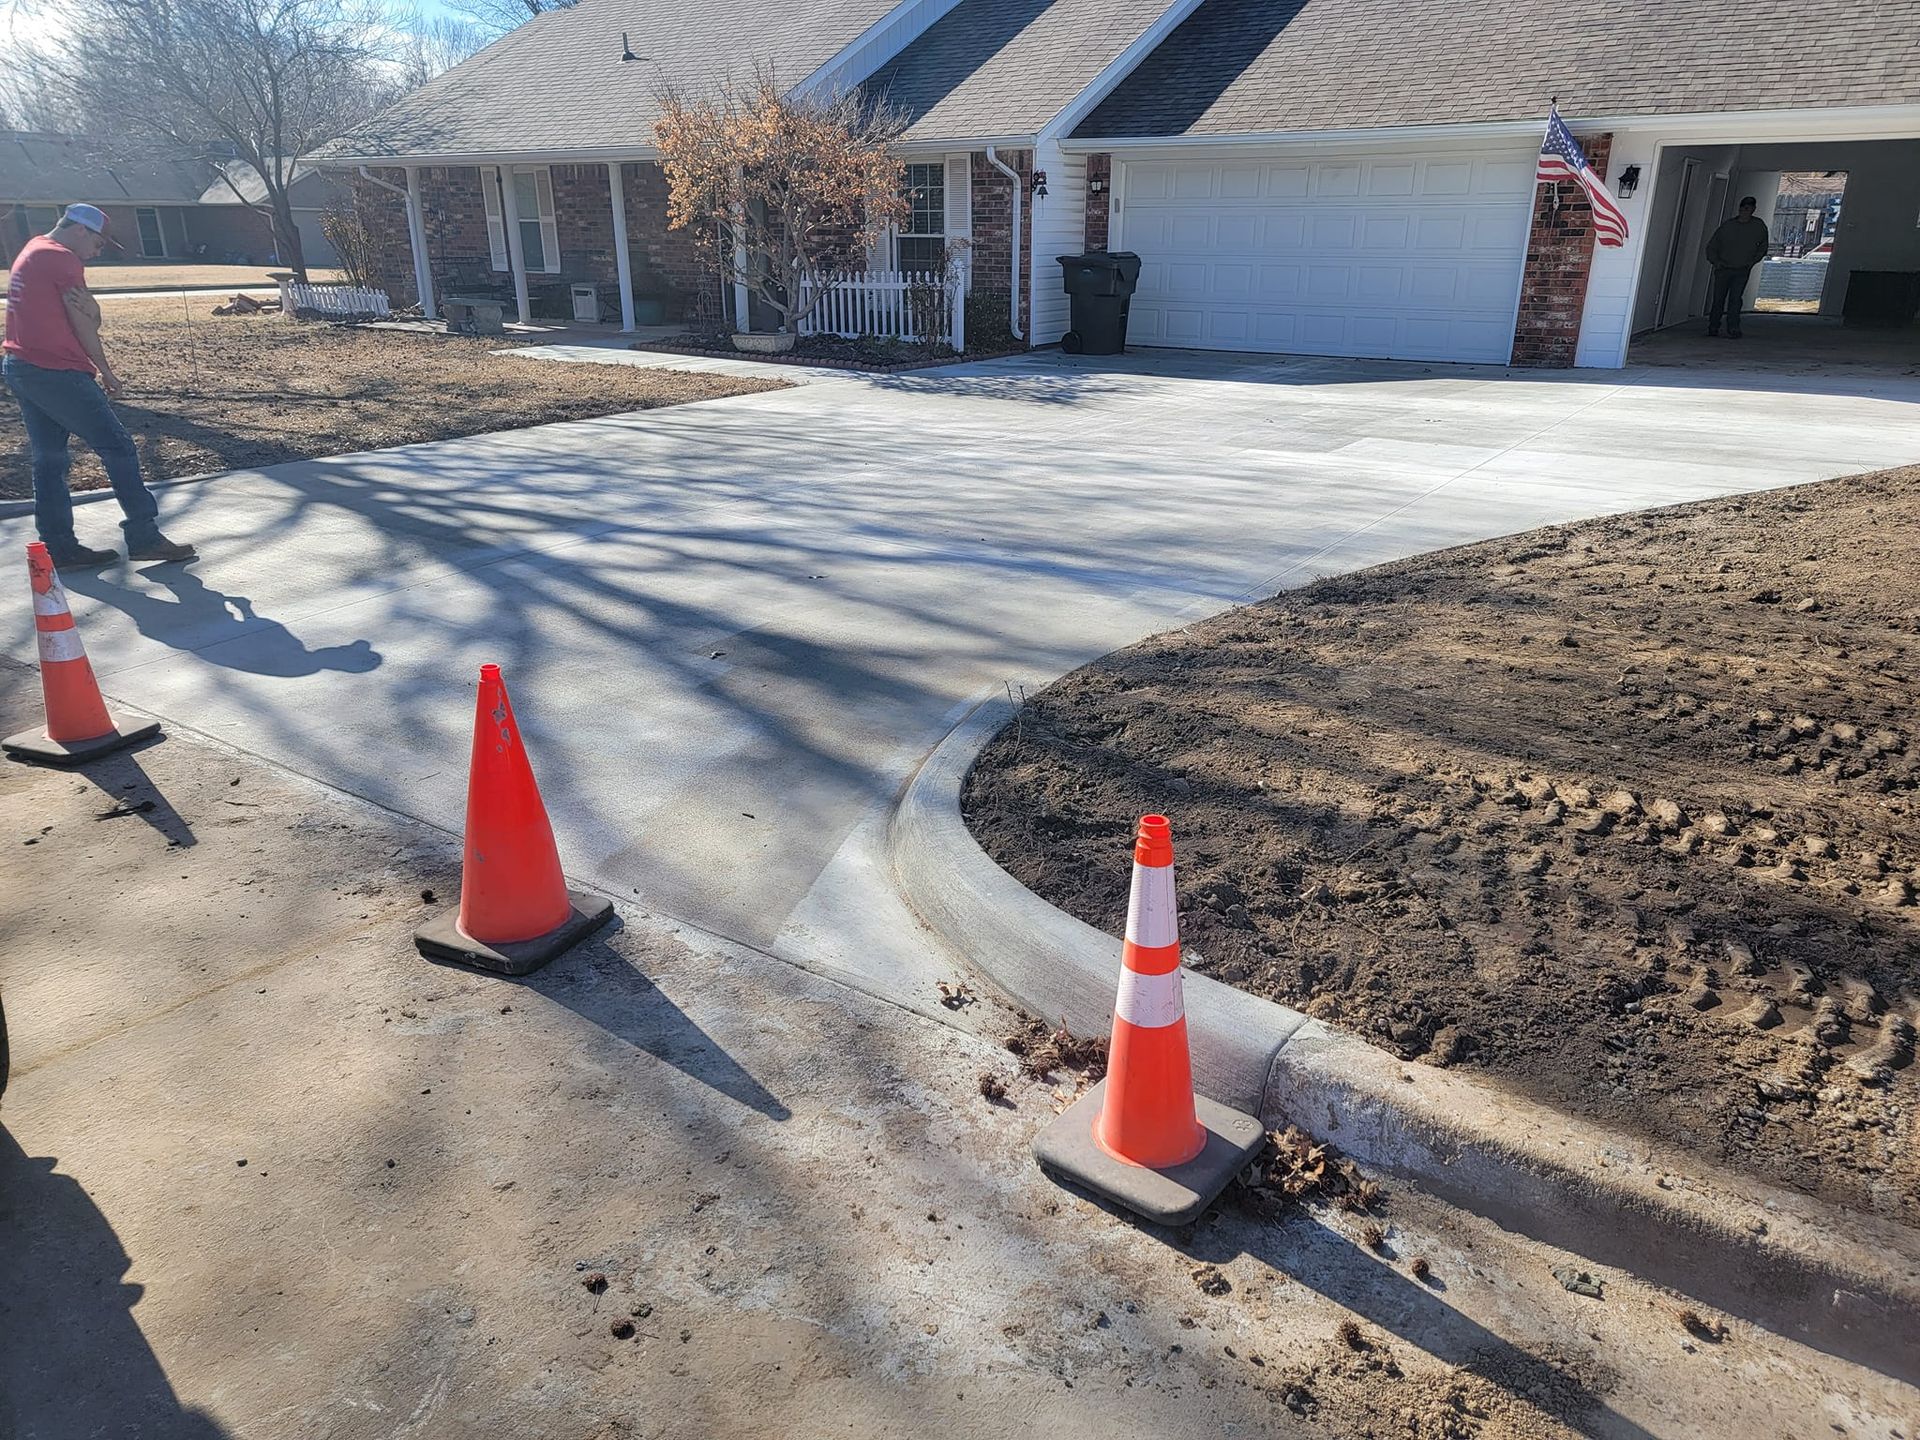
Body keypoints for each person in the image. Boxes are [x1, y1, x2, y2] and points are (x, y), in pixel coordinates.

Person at [3, 204, 195, 566]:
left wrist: (94, 312)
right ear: (79, 231)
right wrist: (106, 371)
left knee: (49, 459)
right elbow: (84, 323)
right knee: (118, 447)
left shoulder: (33, 249)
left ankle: (59, 547)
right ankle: (144, 536)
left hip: (22, 366)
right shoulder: (62, 259)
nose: (97, 251)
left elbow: (89, 313)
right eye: (98, 243)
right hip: (56, 370)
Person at [1703, 196, 1770, 340]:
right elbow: (1712, 246)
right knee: (1718, 299)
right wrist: (1716, 262)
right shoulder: (1728, 226)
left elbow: (1763, 247)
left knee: (1735, 299)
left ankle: (1733, 327)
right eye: (1743, 208)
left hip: (1742, 269)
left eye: (1748, 208)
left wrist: (1751, 261)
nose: (1745, 211)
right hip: (1724, 268)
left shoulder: (1758, 226)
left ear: (1753, 209)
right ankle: (1713, 325)